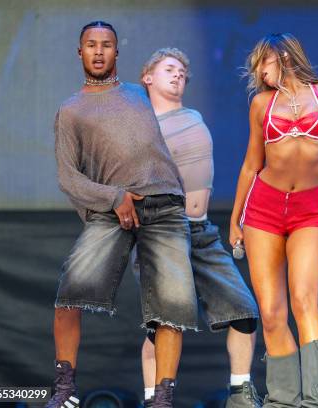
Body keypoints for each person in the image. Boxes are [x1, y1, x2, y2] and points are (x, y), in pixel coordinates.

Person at [49, 21, 193, 408]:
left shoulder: (139, 93)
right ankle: (65, 390)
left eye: (107, 45)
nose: (99, 51)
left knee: (172, 307)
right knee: (69, 293)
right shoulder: (71, 110)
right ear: (80, 52)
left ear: (117, 52)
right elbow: (67, 176)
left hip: (164, 205)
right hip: (114, 209)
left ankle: (162, 398)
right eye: (91, 45)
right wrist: (112, 197)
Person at [229, 33, 318, 408]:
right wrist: (235, 218)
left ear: (283, 56)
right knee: (271, 312)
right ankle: (283, 401)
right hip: (263, 209)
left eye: (263, 64)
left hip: (310, 209)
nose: (259, 73)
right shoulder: (261, 104)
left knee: (305, 299)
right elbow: (252, 164)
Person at [137, 48, 261, 408]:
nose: (178, 75)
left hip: (202, 231)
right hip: (162, 231)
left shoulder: (192, 115)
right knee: (163, 321)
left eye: (182, 72)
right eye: (169, 69)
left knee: (243, 309)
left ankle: (240, 393)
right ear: (148, 77)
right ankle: (153, 399)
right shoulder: (140, 124)